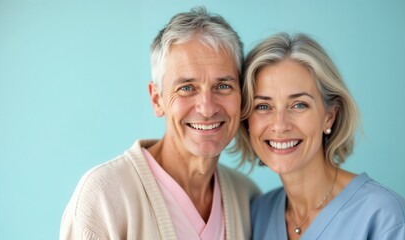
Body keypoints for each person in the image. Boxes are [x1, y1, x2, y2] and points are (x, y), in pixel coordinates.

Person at [60, 6, 260, 240]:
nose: (207, 108)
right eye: (186, 88)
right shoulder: (103, 196)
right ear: (157, 100)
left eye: (223, 86)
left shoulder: (247, 197)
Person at [234, 32, 405, 239]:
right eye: (263, 106)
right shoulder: (258, 214)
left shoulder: (386, 218)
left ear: (329, 117)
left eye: (299, 105)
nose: (280, 125)